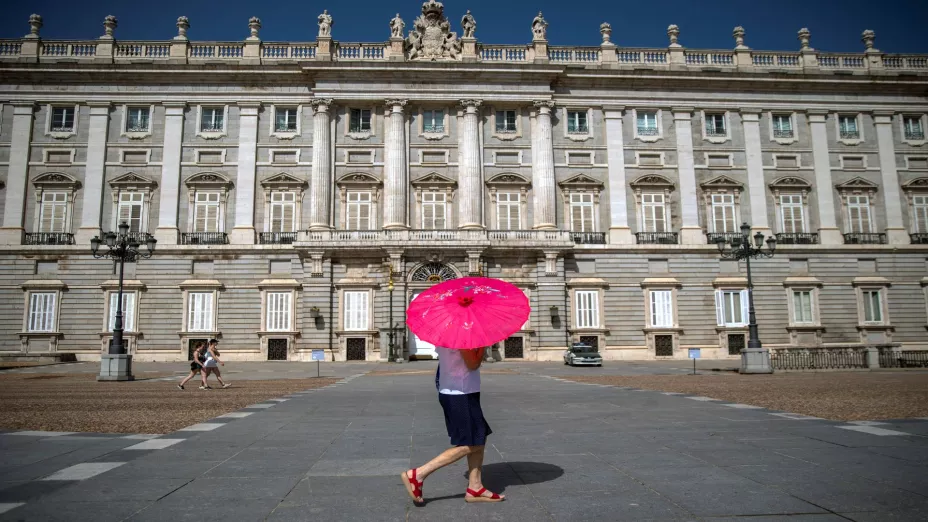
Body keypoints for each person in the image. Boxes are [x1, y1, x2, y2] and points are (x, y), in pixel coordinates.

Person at [401, 346, 504, 505]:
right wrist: (483, 345)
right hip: (461, 393)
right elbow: (472, 363)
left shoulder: (449, 331)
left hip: (454, 389)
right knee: (473, 442)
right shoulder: (463, 334)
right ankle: (418, 474)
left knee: (478, 436)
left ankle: (475, 487)